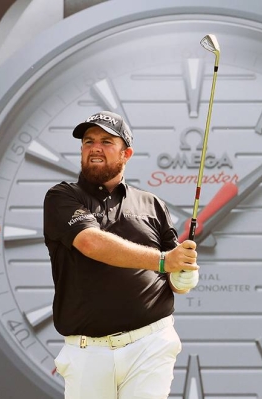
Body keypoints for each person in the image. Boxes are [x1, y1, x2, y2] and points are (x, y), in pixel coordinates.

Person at [43, 110, 200, 399]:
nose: (95, 148)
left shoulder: (152, 205)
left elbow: (176, 281)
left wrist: (185, 273)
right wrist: (165, 260)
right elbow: (90, 243)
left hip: (150, 343)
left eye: (105, 141)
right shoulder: (62, 196)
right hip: (87, 350)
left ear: (126, 153)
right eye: (88, 142)